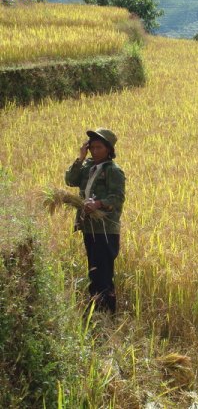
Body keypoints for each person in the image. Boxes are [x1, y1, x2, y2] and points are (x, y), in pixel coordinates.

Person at [65, 128, 125, 314]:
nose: (95, 151)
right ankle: (96, 313)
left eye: (99, 147)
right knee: (94, 273)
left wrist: (98, 203)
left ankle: (106, 315)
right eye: (92, 147)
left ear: (108, 149)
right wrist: (80, 157)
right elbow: (70, 180)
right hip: (89, 228)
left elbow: (117, 199)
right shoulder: (87, 168)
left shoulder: (113, 171)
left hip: (105, 230)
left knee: (104, 275)